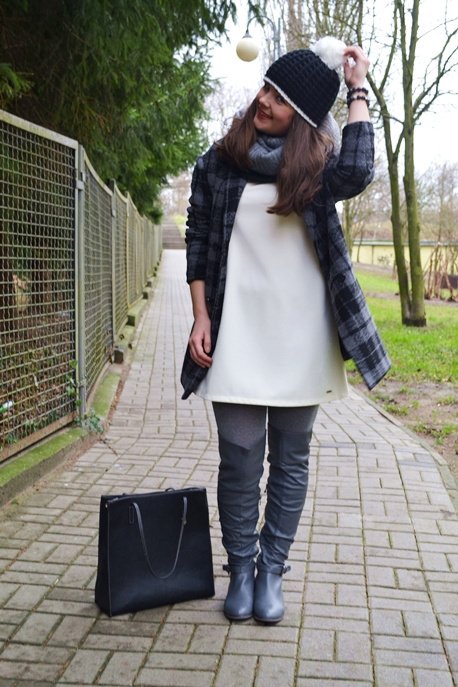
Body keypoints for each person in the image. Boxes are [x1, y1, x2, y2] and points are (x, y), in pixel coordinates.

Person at [181, 37, 391, 625]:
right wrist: (200, 315)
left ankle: (272, 569)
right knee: (239, 461)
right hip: (236, 333)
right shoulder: (221, 160)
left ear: (300, 113)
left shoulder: (319, 168)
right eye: (265, 87)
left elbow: (359, 168)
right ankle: (241, 569)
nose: (263, 100)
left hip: (302, 336)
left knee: (291, 460)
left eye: (278, 96)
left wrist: (357, 87)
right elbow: (197, 237)